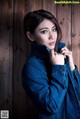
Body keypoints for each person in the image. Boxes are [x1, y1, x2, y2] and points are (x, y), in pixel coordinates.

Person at [22, 9, 80, 119]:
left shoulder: (60, 57)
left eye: (54, 30)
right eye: (44, 31)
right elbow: (50, 106)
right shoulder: (32, 67)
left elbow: (78, 94)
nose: (52, 36)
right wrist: (58, 68)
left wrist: (72, 67)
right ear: (31, 36)